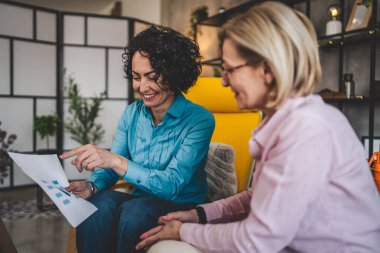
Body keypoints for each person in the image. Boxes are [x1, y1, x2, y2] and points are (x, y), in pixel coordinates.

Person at [136, 2, 380, 252]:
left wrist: (184, 231)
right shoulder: (282, 121)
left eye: (230, 69)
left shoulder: (308, 129)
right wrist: (199, 215)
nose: (224, 82)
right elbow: (259, 196)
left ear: (267, 68)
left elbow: (258, 239)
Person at [59, 25, 215, 253]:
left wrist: (115, 160)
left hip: (181, 204)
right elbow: (111, 169)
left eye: (152, 77)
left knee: (135, 211)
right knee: (97, 205)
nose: (143, 87)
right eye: (136, 77)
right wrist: (92, 186)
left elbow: (171, 185)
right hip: (140, 200)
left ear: (174, 74)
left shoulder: (200, 120)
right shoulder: (132, 114)